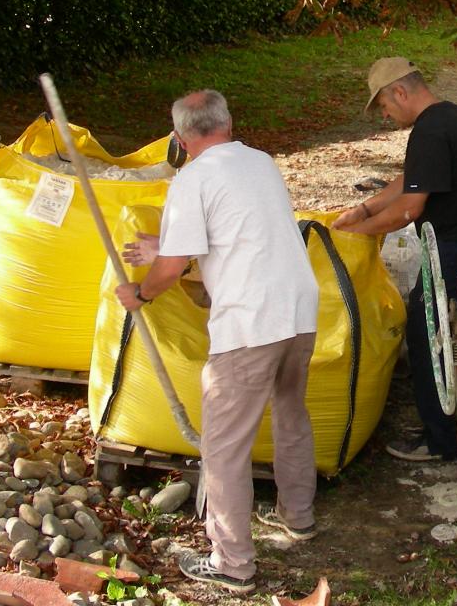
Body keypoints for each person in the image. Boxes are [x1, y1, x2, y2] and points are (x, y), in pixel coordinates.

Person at [117, 89, 320, 595]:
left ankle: (233, 563)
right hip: (298, 310)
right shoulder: (261, 163)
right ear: (228, 123)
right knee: (291, 412)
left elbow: (170, 269)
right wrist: (167, 248)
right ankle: (298, 515)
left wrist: (140, 292)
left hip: (250, 324)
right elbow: (239, 232)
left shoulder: (192, 179)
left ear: (181, 140)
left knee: (224, 448)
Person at [332, 58, 457, 461]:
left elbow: (410, 207)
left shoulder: (430, 130)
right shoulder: (451, 116)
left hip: (455, 250)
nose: (384, 114)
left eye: (382, 105)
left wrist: (351, 238)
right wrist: (363, 210)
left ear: (399, 91)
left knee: (429, 338)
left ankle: (444, 441)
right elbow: (411, 178)